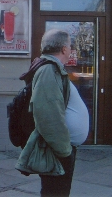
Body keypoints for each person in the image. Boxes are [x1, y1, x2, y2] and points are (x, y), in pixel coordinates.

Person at [27, 29, 79, 197]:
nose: (71, 49)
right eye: (70, 46)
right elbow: (48, 115)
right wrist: (65, 151)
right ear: (64, 49)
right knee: (56, 193)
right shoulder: (49, 70)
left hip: (59, 147)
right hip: (57, 149)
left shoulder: (53, 68)